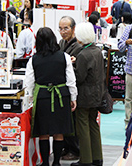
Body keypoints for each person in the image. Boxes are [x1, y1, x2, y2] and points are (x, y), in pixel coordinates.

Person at [24, 27, 77, 166]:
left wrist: (29, 99)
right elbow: (71, 80)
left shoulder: (33, 59)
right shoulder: (64, 56)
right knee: (59, 131)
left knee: (44, 132)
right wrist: (73, 97)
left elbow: (28, 82)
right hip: (61, 96)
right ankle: (57, 163)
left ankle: (46, 162)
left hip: (42, 97)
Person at [71, 22, 104, 166]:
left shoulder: (83, 54)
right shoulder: (97, 51)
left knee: (82, 126)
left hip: (84, 95)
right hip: (97, 94)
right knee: (93, 124)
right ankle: (97, 157)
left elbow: (79, 77)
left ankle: (85, 159)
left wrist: (73, 66)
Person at [58, 16, 82, 160]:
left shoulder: (78, 47)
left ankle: (75, 150)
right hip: (63, 88)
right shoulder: (61, 43)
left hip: (74, 88)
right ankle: (66, 147)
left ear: (73, 28)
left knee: (73, 122)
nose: (63, 31)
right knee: (65, 122)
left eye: (66, 28)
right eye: (60, 28)